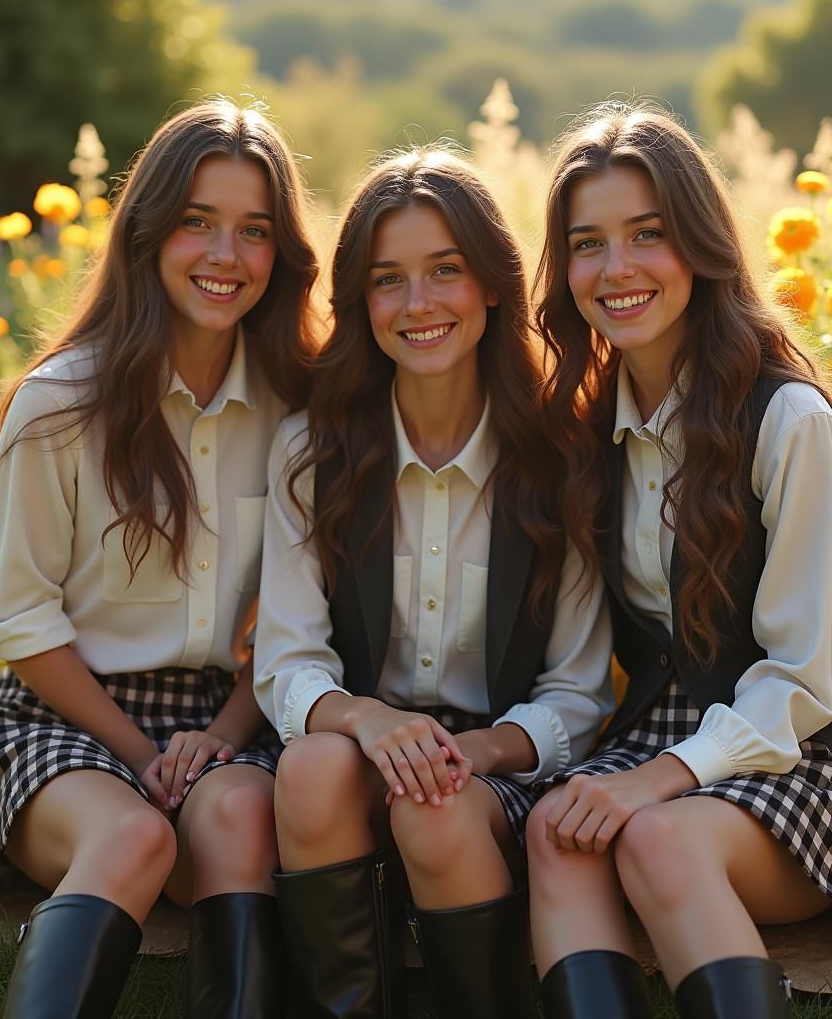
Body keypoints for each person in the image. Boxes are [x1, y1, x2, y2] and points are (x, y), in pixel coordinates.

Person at [524, 101, 832, 1019]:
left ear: (702, 248)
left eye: (648, 235)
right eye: (588, 244)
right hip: (673, 739)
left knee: (657, 842)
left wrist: (651, 781)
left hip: (817, 759)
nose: (616, 269)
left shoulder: (785, 420)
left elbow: (798, 682)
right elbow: (588, 671)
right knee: (558, 832)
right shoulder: (589, 433)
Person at [0, 98, 319, 1019]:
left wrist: (219, 738)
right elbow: (25, 626)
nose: (225, 256)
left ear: (280, 254)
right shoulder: (59, 405)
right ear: (146, 233)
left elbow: (301, 617)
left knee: (232, 816)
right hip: (66, 715)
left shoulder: (301, 413)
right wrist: (140, 754)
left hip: (229, 721)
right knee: (137, 835)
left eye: (253, 231)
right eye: (198, 222)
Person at [252, 146, 613, 1019]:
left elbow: (578, 692)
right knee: (306, 771)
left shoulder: (562, 459)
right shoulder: (312, 450)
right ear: (360, 301)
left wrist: (479, 752)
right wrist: (370, 722)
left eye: (444, 271)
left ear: (491, 283)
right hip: (354, 755)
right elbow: (286, 661)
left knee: (435, 807)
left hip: (495, 772)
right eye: (388, 280)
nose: (418, 306)